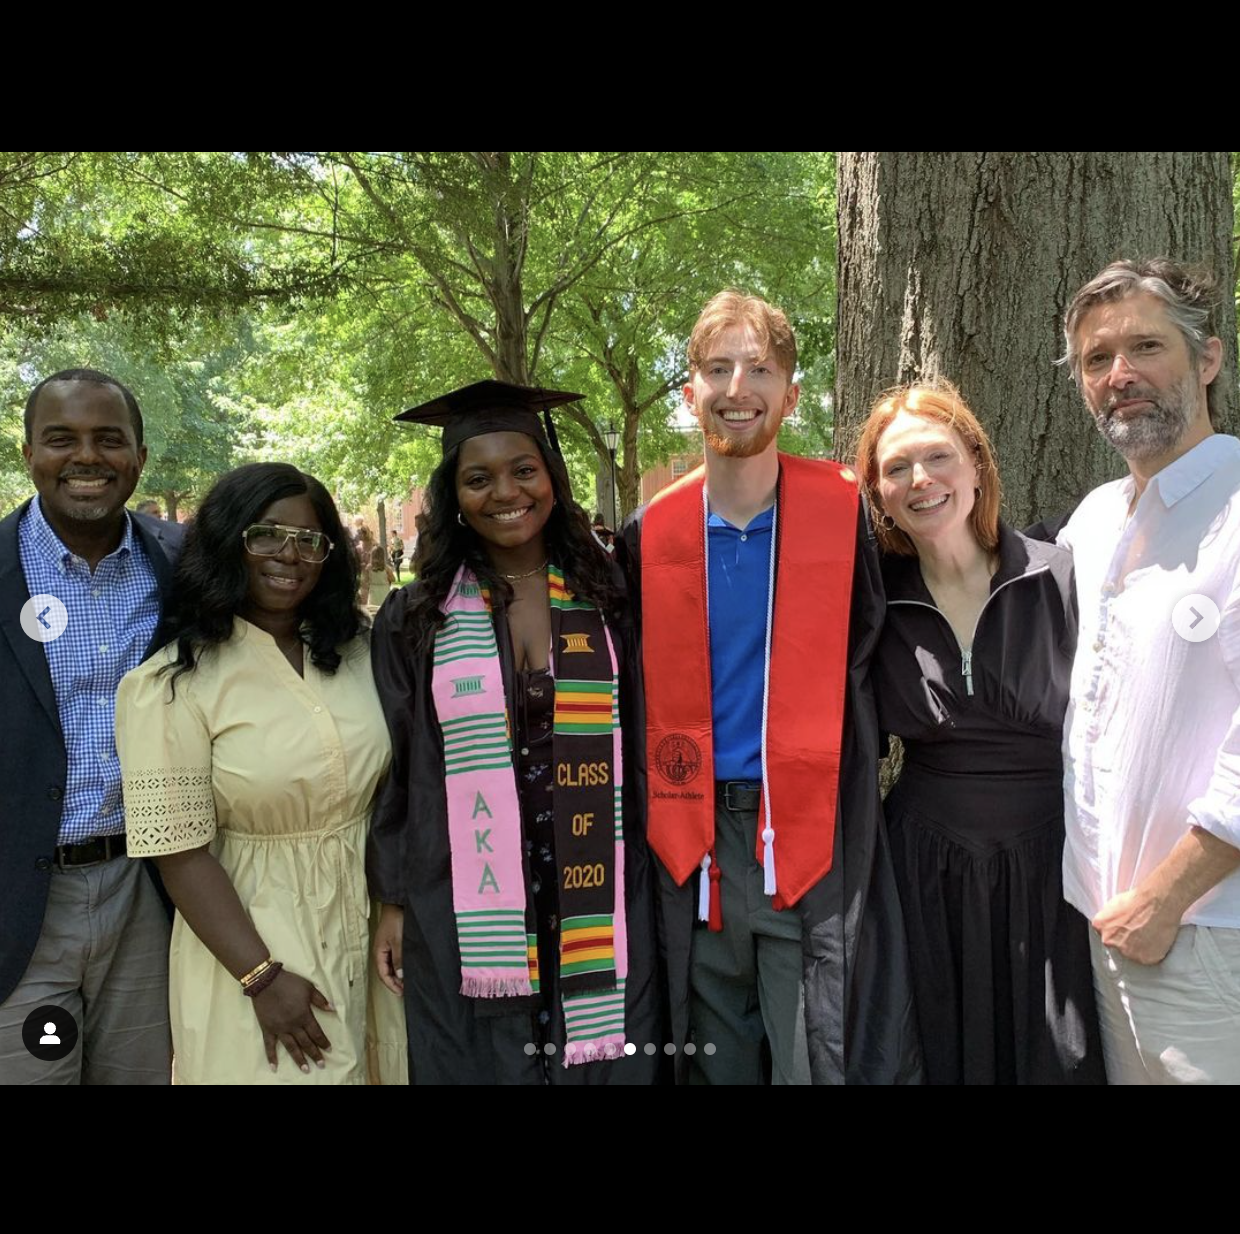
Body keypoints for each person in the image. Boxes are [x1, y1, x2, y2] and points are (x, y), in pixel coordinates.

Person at [617, 291, 919, 1084]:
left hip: (809, 832)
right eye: (718, 369)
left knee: (812, 1059)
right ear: (690, 393)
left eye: (760, 368)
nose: (737, 388)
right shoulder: (650, 538)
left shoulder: (845, 519)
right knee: (713, 1063)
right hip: (692, 841)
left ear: (791, 391)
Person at [368, 380, 662, 1084]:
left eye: (523, 470)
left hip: (602, 873)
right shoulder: (417, 617)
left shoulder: (612, 593)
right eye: (478, 479)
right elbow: (398, 766)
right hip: (466, 883)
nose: (505, 492)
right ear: (454, 496)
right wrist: (393, 899)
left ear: (552, 479)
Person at [114, 462, 400, 1084]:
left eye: (309, 540)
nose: (288, 555)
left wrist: (398, 905)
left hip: (370, 926)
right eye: (265, 534)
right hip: (255, 941)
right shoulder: (172, 685)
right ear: (227, 541)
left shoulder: (360, 651)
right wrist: (261, 978)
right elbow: (180, 854)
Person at [856, 381, 1104, 1084]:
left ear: (976, 462)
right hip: (924, 871)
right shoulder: (876, 601)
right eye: (896, 467)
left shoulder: (1059, 577)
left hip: (1051, 866)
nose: (920, 480)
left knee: (1057, 1054)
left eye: (937, 457)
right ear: (877, 489)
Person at [1057, 258, 1240, 1084]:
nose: (1120, 375)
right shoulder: (1092, 522)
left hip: (1212, 936)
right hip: (1106, 929)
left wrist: (1168, 898)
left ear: (1208, 359)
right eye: (1098, 360)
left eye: (1145, 348)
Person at [0, 368, 182, 1084]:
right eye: (61, 439)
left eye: (109, 440)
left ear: (138, 458)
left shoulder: (182, 563)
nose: (87, 457)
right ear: (28, 455)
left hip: (146, 894)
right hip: (23, 906)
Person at [368, 541, 396, 612]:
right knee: (384, 610)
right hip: (384, 590)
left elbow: (365, 580)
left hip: (373, 590)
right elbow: (393, 579)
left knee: (373, 609)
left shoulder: (368, 568)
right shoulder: (386, 568)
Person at [355, 524, 376, 607]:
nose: (358, 535)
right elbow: (355, 564)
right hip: (363, 576)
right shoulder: (358, 548)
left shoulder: (374, 546)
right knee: (363, 600)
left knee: (374, 601)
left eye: (360, 533)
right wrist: (361, 564)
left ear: (365, 533)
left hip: (374, 575)